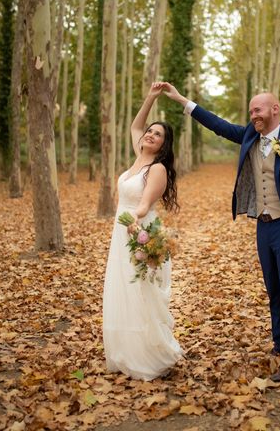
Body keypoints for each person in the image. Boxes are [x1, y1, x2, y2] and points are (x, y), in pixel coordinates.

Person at [162, 83, 280, 382]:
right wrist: (183, 101)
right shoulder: (249, 134)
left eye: (257, 110)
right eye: (250, 111)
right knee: (273, 289)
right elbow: (218, 125)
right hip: (263, 226)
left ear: (275, 109)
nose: (253, 115)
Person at [102, 82, 182, 381]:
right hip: (120, 230)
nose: (150, 134)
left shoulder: (157, 169)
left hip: (139, 230)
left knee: (140, 291)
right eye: (150, 131)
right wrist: (150, 96)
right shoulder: (138, 155)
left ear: (164, 144)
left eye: (158, 134)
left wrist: (131, 220)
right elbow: (136, 124)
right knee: (121, 289)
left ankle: (149, 354)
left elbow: (145, 204)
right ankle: (125, 351)